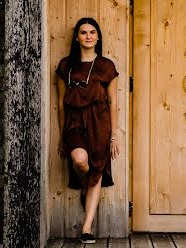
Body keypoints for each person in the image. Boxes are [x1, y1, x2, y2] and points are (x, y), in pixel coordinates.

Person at [55, 17, 119, 245]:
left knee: (97, 169)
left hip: (99, 123)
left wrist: (113, 135)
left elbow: (112, 102)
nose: (88, 36)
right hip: (74, 122)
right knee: (81, 161)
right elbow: (62, 102)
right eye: (83, 32)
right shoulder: (66, 66)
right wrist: (63, 135)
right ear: (76, 37)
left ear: (98, 37)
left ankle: (87, 227)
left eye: (93, 32)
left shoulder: (106, 66)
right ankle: (85, 185)